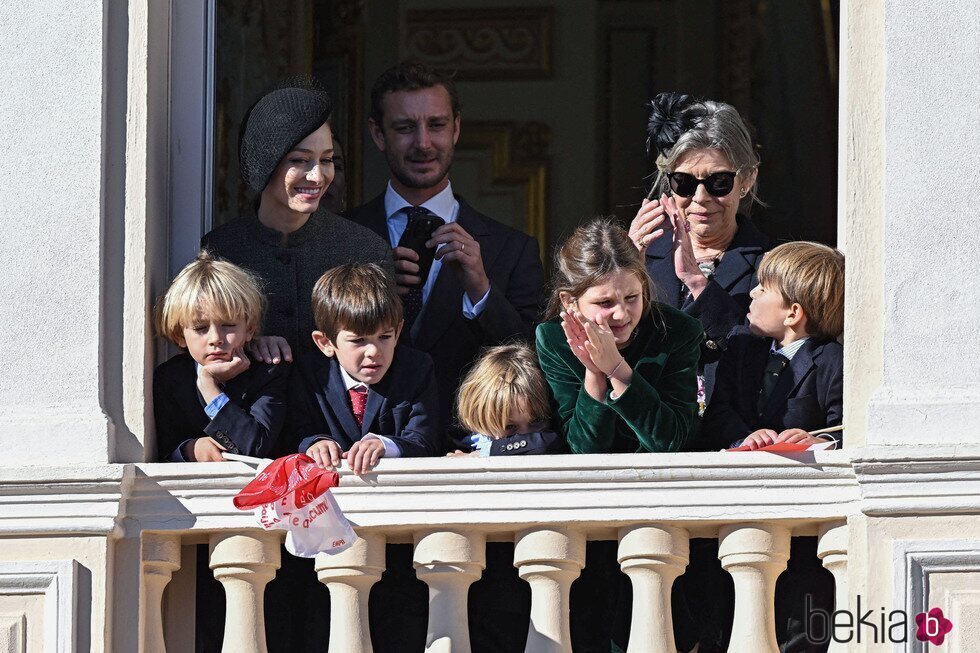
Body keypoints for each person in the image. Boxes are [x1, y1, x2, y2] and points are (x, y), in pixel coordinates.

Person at [347, 61, 544, 450]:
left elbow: (535, 362)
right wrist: (370, 293)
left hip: (472, 460)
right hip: (360, 463)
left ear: (456, 128)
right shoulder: (343, 238)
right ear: (378, 133)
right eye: (405, 128)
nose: (423, 143)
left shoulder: (511, 247)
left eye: (436, 125)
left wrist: (481, 290)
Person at [202, 82, 392, 362]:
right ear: (264, 162)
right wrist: (246, 344)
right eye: (300, 160)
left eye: (326, 160)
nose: (317, 176)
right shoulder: (219, 252)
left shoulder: (366, 251)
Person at [629, 92, 771, 412]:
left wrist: (697, 282)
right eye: (685, 182)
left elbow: (766, 353)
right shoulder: (642, 257)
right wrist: (625, 272)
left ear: (747, 180)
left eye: (719, 181)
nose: (701, 197)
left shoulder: (773, 265)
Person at [536, 218, 702, 454]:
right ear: (569, 301)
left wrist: (616, 368)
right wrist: (594, 373)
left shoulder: (677, 331)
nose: (621, 314)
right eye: (605, 302)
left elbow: (669, 442)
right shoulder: (555, 339)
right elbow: (584, 449)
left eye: (632, 297)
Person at [290, 263, 441, 475]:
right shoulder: (309, 375)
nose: (373, 351)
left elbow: (425, 439)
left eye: (385, 337)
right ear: (325, 342)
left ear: (398, 332)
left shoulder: (415, 369)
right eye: (358, 340)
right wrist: (314, 443)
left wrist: (386, 445)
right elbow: (294, 432)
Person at [700, 241, 844, 450]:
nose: (752, 293)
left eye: (763, 289)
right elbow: (719, 412)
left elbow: (845, 429)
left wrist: (822, 442)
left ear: (792, 314)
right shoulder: (741, 346)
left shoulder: (833, 361)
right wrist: (745, 438)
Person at [153, 251, 288, 462]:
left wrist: (209, 386)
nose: (216, 338)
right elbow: (161, 446)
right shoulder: (170, 378)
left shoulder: (267, 371)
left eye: (228, 325)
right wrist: (190, 449)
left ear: (249, 330)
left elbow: (254, 446)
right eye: (200, 328)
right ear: (179, 336)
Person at [449, 344, 564, 457]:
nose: (525, 435)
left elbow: (546, 442)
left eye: (536, 421)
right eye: (509, 427)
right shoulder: (460, 447)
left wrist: (487, 452)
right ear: (480, 424)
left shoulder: (554, 440)